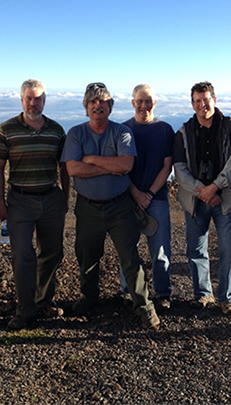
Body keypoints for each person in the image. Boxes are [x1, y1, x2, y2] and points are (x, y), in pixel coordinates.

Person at [61, 82, 160, 329]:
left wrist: (92, 160)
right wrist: (109, 166)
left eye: (103, 101)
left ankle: (144, 306)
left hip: (120, 207)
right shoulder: (76, 133)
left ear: (110, 106)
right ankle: (90, 297)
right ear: (86, 107)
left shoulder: (121, 132)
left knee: (130, 257)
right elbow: (72, 168)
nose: (98, 105)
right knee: (87, 256)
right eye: (93, 101)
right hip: (88, 207)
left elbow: (126, 165)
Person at [0, 79, 69, 330]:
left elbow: (64, 167)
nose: (33, 103)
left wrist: (65, 197)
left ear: (44, 101)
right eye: (28, 98)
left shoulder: (56, 130)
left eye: (38, 98)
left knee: (52, 252)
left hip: (50, 198)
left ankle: (45, 300)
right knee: (22, 255)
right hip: (19, 201)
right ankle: (26, 308)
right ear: (21, 99)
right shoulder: (7, 129)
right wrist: (0, 202)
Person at [173, 82, 231, 316]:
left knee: (229, 249)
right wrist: (202, 191)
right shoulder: (184, 132)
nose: (202, 105)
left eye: (205, 99)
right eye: (197, 101)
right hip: (197, 201)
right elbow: (180, 169)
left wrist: (215, 187)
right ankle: (203, 294)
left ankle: (227, 298)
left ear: (214, 99)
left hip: (226, 199)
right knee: (196, 249)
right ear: (192, 103)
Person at [118, 84, 174, 310]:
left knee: (160, 250)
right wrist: (136, 194)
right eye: (139, 101)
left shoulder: (165, 130)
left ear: (155, 103)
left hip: (157, 198)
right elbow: (121, 168)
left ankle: (163, 293)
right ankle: (127, 291)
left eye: (148, 101)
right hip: (128, 198)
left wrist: (148, 194)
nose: (144, 105)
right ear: (133, 103)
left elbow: (167, 166)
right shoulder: (123, 130)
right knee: (128, 248)